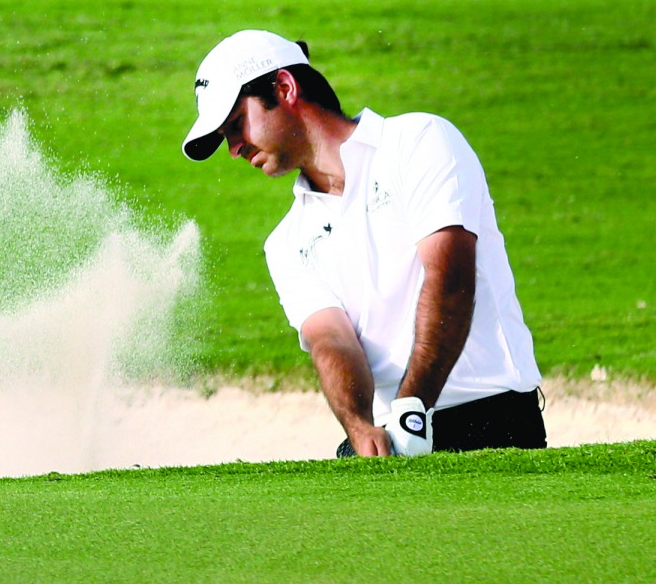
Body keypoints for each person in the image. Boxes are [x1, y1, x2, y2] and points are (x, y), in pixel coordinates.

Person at [182, 29, 546, 457]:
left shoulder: (419, 141)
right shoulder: (285, 243)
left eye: (236, 125)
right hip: (394, 437)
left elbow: (451, 279)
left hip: (494, 420)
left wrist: (413, 408)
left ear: (284, 88)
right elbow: (330, 340)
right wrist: (359, 426)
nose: (234, 148)